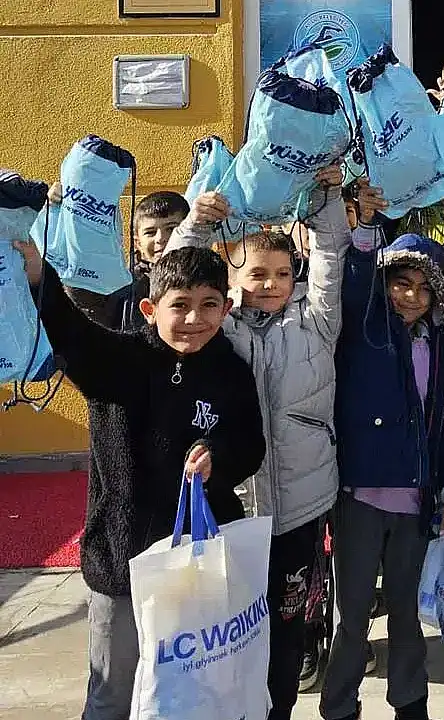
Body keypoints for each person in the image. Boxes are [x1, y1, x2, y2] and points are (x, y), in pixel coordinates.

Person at [11, 238, 266, 720]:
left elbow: (251, 446)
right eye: (180, 305)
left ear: (227, 308)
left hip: (197, 567)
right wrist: (39, 276)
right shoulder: (117, 361)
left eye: (209, 304)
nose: (194, 318)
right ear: (150, 309)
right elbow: (70, 330)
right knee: (113, 694)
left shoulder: (232, 372)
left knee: (192, 692)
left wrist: (218, 458)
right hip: (121, 565)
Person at [167, 165, 348, 720]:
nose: (270, 283)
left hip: (301, 507)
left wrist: (327, 193)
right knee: (236, 629)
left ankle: (281, 709)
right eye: (256, 273)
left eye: (282, 273)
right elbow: (172, 283)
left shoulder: (317, 320)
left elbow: (331, 251)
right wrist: (196, 225)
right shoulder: (219, 327)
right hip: (238, 510)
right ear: (231, 276)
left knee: (288, 628)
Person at [320, 181, 444, 720]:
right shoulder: (365, 328)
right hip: (360, 498)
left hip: (414, 504)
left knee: (406, 613)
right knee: (352, 615)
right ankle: (339, 706)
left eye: (423, 288)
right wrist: (364, 226)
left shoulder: (439, 345)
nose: (410, 296)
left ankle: (410, 703)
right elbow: (357, 281)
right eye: (400, 283)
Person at [44, 185, 188, 331]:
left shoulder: (203, 278)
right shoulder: (120, 287)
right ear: (137, 243)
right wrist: (55, 211)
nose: (160, 238)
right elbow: (86, 305)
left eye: (171, 228)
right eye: (150, 232)